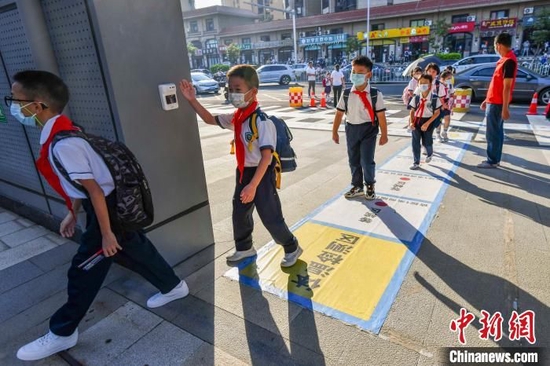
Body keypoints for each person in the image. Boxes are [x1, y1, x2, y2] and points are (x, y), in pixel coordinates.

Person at [12, 71, 188, 361]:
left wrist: (106, 234)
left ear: (38, 105)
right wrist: (73, 213)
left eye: (16, 100)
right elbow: (82, 187)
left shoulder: (65, 143)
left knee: (83, 270)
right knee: (136, 248)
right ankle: (173, 286)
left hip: (107, 211)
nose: (12, 106)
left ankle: (62, 332)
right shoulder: (65, 131)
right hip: (109, 207)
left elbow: (94, 191)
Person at [179, 65, 302, 266]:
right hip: (244, 171)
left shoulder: (262, 122)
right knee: (240, 212)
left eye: (238, 89)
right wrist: (192, 99)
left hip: (261, 175)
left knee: (270, 216)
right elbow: (210, 119)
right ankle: (245, 248)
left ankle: (292, 247)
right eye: (230, 89)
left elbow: (266, 158)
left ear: (253, 92)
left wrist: (253, 185)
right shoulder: (237, 118)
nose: (232, 94)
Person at [332, 56, 389, 200]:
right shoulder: (346, 93)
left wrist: (384, 134)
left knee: (367, 160)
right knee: (353, 159)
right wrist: (335, 132)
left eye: (360, 72)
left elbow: (381, 116)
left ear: (368, 74)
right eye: (353, 71)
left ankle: (370, 185)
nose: (355, 75)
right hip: (351, 129)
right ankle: (357, 186)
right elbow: (339, 114)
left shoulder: (375, 94)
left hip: (369, 130)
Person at [478, 33, 517, 168]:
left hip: (498, 103)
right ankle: (494, 159)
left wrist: (505, 108)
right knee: (496, 131)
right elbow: (497, 84)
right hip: (493, 101)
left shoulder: (509, 61)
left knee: (493, 133)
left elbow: (507, 88)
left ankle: (492, 160)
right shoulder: (504, 60)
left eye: (495, 46)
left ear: (498, 45)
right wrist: (487, 100)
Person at [408, 74, 442, 170]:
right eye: (421, 83)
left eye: (425, 83)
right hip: (417, 120)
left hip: (428, 120)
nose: (423, 85)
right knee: (415, 142)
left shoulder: (434, 98)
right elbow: (412, 110)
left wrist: (427, 123)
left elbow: (437, 112)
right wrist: (411, 122)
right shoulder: (416, 98)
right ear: (418, 84)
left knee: (427, 141)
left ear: (430, 85)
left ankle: (429, 154)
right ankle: (416, 162)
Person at [435, 70, 455, 142]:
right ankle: (438, 134)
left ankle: (445, 132)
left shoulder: (450, 85)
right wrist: (442, 105)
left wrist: (451, 100)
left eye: (450, 78)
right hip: (439, 103)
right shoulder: (438, 85)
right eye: (448, 78)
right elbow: (436, 96)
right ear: (443, 78)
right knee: (439, 120)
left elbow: (452, 93)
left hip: (447, 103)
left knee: (447, 118)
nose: (450, 80)